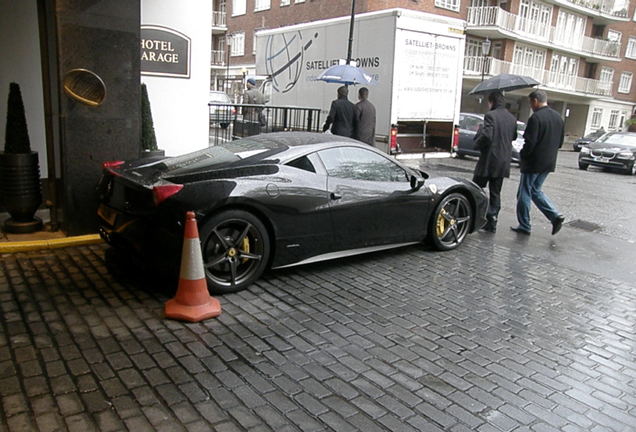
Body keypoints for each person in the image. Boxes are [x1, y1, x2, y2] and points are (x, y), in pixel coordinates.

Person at [511, 89, 565, 236]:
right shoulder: (558, 118)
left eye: (530, 103)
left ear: (535, 101)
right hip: (549, 163)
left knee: (524, 193)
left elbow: (530, 143)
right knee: (535, 190)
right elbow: (560, 143)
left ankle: (525, 225)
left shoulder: (536, 118)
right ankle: (555, 216)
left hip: (533, 163)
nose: (531, 106)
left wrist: (523, 155)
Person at [472, 91, 517, 233]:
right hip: (503, 162)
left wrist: (477, 141)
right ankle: (492, 220)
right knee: (495, 192)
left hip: (488, 161)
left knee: (475, 188)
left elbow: (487, 136)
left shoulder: (490, 116)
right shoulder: (511, 118)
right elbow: (514, 136)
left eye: (488, 101)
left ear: (492, 101)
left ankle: (473, 216)